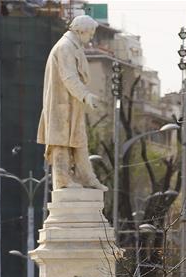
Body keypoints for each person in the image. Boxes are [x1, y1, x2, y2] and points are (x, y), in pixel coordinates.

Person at [36, 15, 107, 191]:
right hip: (61, 103)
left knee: (78, 140)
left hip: (71, 103)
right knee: (61, 142)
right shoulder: (65, 47)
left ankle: (87, 177)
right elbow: (69, 77)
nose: (91, 38)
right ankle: (63, 180)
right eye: (90, 34)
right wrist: (86, 96)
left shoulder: (74, 46)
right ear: (81, 31)